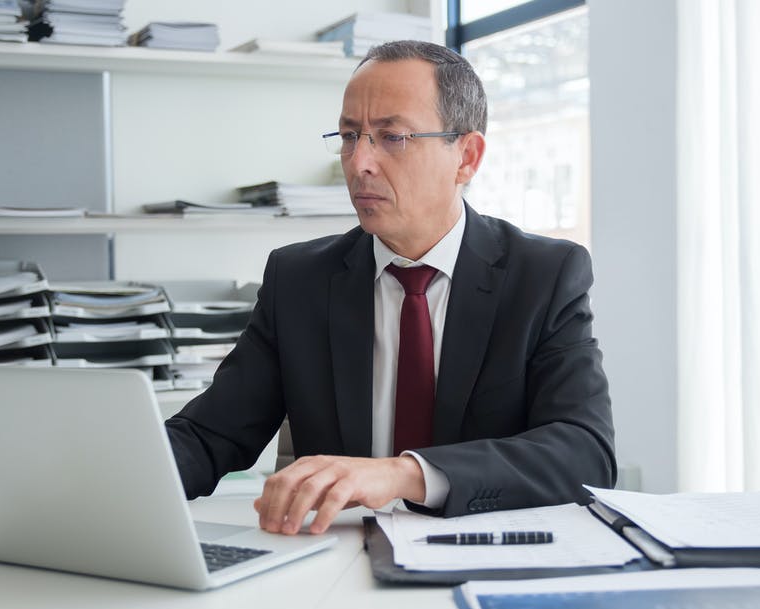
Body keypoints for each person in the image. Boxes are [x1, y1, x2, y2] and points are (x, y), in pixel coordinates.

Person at [165, 40, 614, 536]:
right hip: (334, 562)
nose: (359, 163)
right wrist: (100, 478)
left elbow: (583, 453)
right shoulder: (298, 280)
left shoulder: (543, 275)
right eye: (349, 135)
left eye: (391, 137)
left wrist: (404, 474)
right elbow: (208, 436)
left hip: (485, 559)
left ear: (466, 156)